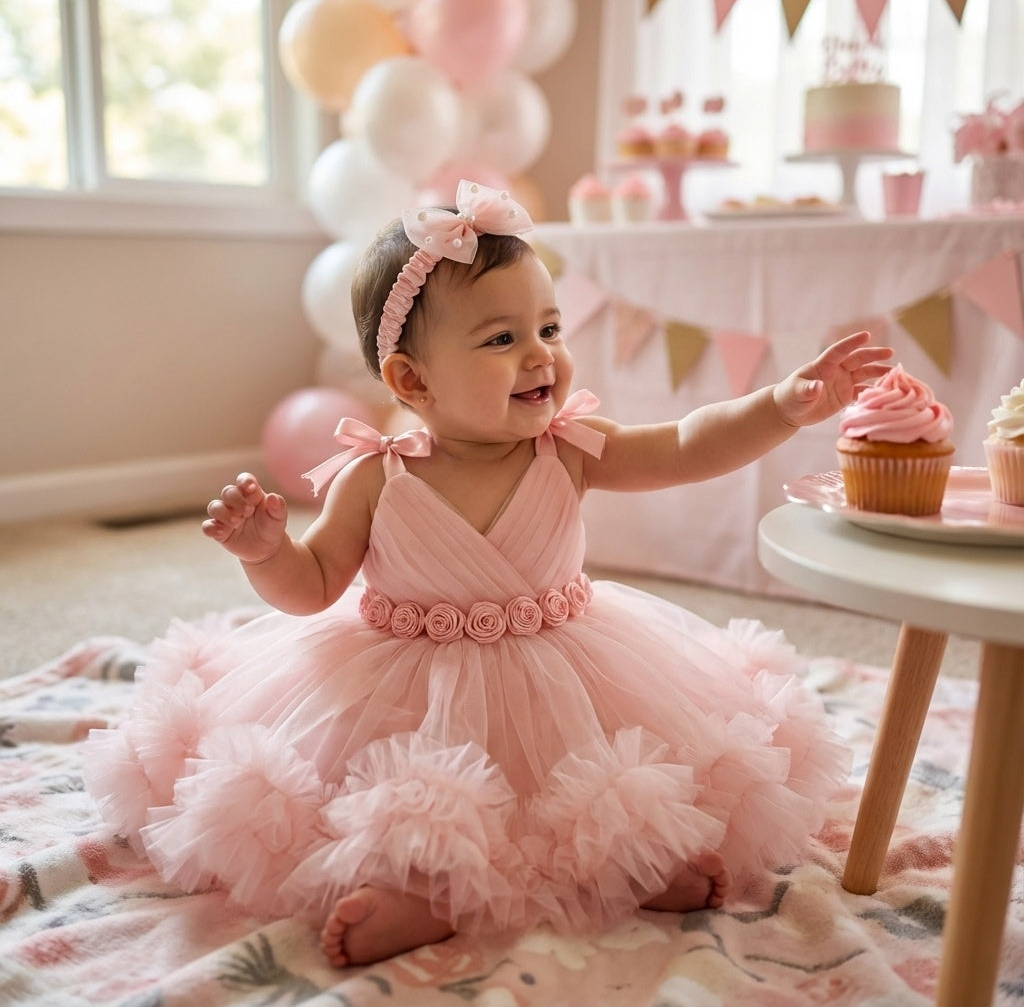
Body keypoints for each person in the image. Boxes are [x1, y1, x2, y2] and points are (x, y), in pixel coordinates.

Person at [84, 181, 892, 970]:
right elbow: (314, 585)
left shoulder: (568, 447)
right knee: (417, 796)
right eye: (501, 340)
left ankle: (636, 859)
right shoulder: (378, 475)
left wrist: (783, 404)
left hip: (567, 673)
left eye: (549, 326)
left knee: (596, 780)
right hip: (408, 692)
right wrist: (267, 552)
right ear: (411, 381)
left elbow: (685, 443)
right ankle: (422, 893)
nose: (542, 355)